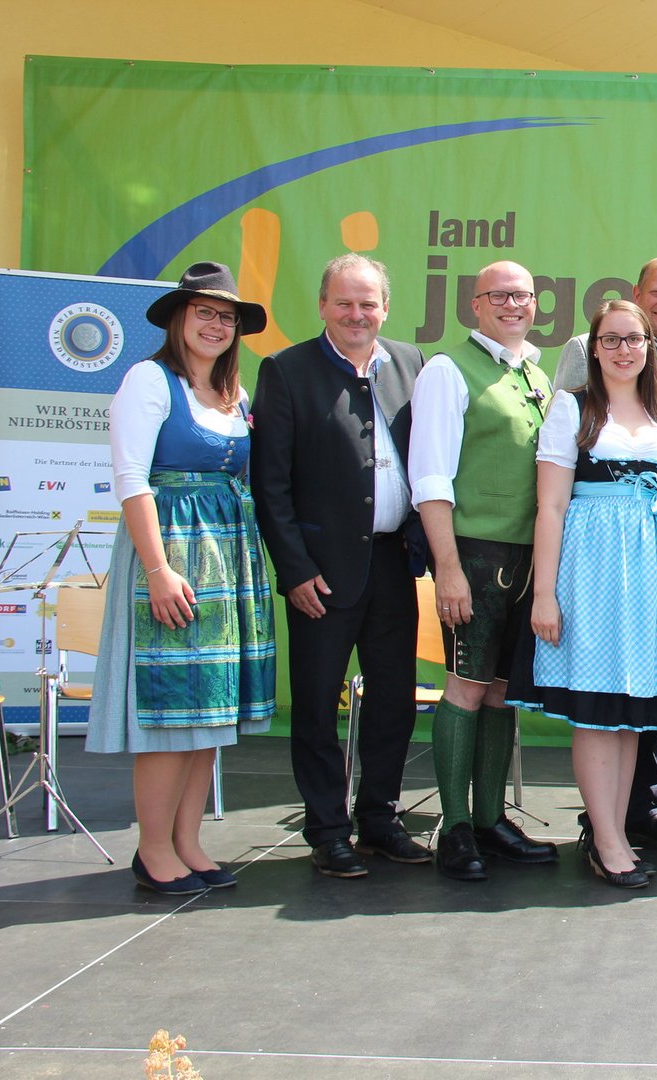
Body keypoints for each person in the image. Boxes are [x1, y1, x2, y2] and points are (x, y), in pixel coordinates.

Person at [86, 262, 276, 895]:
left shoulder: (232, 395)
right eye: (205, 313)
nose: (216, 325)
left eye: (227, 317)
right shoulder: (149, 380)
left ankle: (188, 842)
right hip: (172, 553)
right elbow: (131, 480)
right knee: (172, 713)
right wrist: (158, 570)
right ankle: (152, 849)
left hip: (226, 557)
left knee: (208, 711)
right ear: (178, 318)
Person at [253, 253, 431, 879]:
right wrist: (295, 570)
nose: (357, 315)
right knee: (316, 703)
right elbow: (270, 484)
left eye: (368, 304)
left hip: (392, 563)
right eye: (345, 303)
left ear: (386, 307)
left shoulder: (411, 363)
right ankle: (328, 830)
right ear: (324, 306)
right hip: (321, 573)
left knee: (394, 702)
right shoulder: (286, 370)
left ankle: (380, 818)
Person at [528, 300, 657, 889]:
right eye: (611, 339)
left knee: (631, 714)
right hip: (593, 570)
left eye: (634, 339)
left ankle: (618, 832)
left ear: (650, 347)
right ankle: (604, 839)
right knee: (599, 711)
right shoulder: (572, 409)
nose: (623, 350)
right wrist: (545, 594)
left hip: (655, 574)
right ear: (594, 348)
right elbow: (551, 506)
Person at [408, 260, 561, 881]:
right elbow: (430, 476)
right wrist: (447, 567)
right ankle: (455, 828)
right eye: (498, 295)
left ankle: (491, 820)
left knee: (501, 690)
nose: (512, 305)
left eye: (522, 295)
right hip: (473, 553)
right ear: (475, 304)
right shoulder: (447, 371)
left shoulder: (537, 374)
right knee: (466, 686)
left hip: (528, 559)